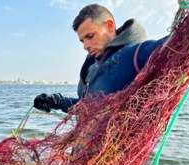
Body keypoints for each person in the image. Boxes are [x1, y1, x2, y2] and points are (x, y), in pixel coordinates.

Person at [33, 3, 168, 113]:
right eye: (82, 41)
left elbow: (177, 45)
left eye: (90, 36)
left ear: (109, 26)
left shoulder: (137, 53)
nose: (85, 46)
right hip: (84, 145)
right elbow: (85, 106)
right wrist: (58, 101)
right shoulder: (91, 65)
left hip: (116, 145)